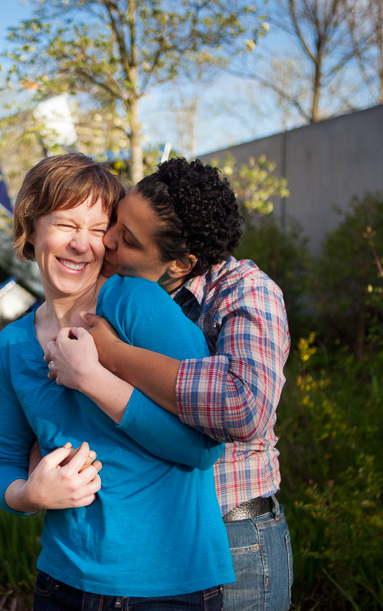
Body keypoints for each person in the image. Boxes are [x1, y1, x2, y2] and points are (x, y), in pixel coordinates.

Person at [0, 153, 234, 610]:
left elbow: (204, 449)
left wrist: (93, 379)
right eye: (65, 225)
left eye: (99, 230)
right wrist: (30, 494)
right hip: (62, 585)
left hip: (169, 588)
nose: (82, 245)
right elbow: (3, 463)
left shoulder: (135, 303)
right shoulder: (10, 346)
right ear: (32, 227)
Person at [46, 157, 293, 611]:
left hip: (233, 532)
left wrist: (116, 356)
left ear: (181, 262)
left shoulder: (245, 293)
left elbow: (244, 405)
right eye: (116, 223)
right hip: (149, 538)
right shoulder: (122, 288)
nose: (110, 242)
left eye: (129, 241)